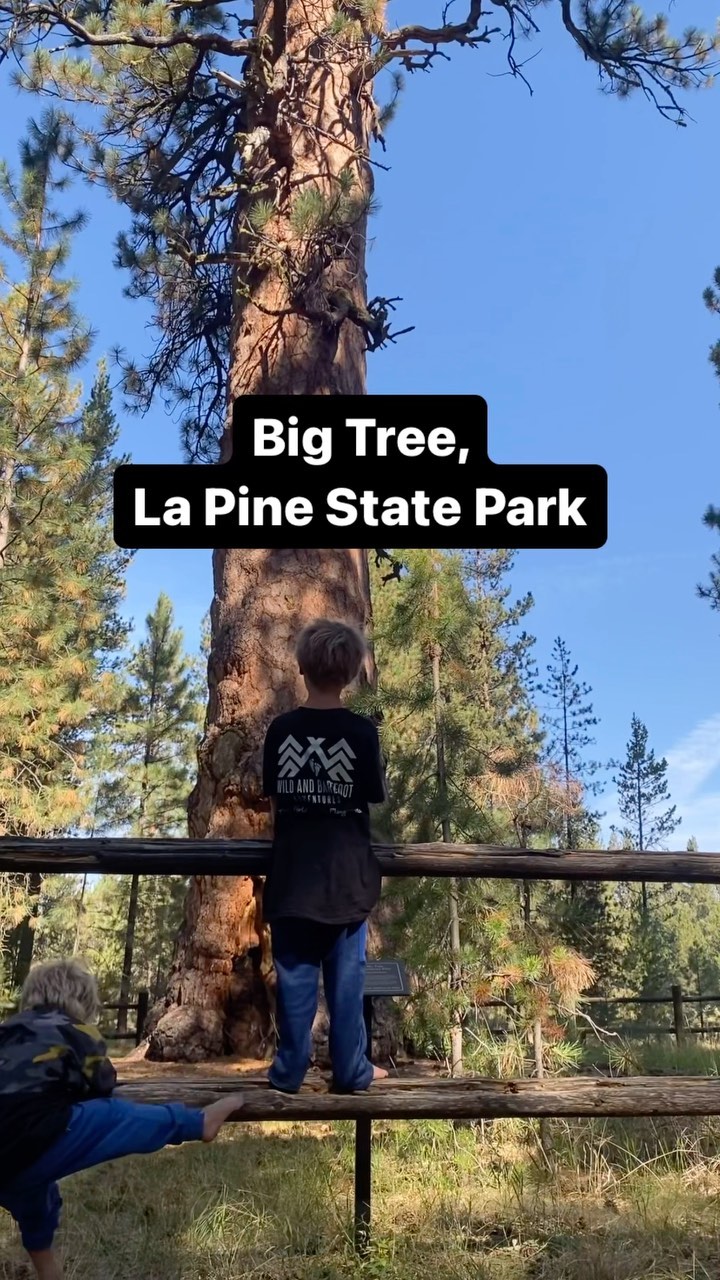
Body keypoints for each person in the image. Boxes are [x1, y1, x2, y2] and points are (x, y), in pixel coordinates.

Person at [0, 958, 245, 1280]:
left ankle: (47, 1269)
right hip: (32, 1133)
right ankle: (197, 1123)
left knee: (32, 1187)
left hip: (11, 1150)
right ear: (82, 1000)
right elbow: (103, 1082)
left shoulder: (8, 1028)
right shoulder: (76, 1031)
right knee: (114, 1114)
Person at [262, 617, 389, 1095]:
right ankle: (351, 1069)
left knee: (294, 984)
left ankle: (288, 1072)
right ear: (354, 671)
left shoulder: (281, 731)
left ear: (301, 667)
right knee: (346, 984)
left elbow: (275, 801)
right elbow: (371, 796)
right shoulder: (361, 733)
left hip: (293, 877)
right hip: (347, 882)